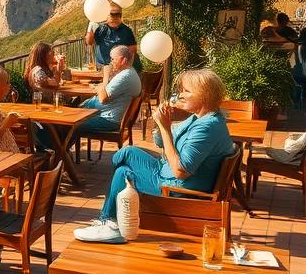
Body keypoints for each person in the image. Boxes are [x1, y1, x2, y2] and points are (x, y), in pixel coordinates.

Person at [75, 68, 235, 243]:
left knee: (123, 171)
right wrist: (164, 122)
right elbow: (160, 142)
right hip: (166, 172)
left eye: (186, 91)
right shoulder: (199, 118)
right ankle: (112, 221)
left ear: (204, 96)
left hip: (177, 189)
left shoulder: (207, 127)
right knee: (127, 153)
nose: (181, 95)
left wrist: (166, 128)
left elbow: (180, 171)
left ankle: (111, 224)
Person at [75, 45, 141, 138]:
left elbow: (102, 99)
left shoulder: (125, 76)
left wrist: (104, 80)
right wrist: (101, 87)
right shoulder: (129, 72)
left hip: (108, 120)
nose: (111, 62)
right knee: (74, 113)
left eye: (113, 59)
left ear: (123, 60)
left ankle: (61, 146)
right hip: (110, 116)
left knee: (72, 124)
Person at [85, 2, 140, 71]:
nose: (116, 17)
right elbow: (89, 42)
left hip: (120, 68)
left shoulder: (127, 31)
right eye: (112, 14)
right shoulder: (101, 29)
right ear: (107, 15)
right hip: (103, 67)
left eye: (118, 14)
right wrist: (90, 28)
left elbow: (133, 50)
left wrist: (125, 66)